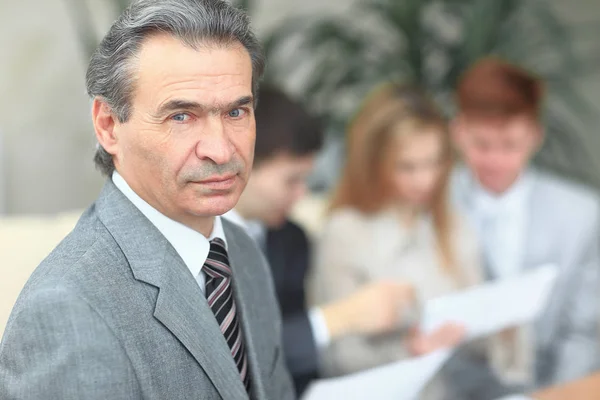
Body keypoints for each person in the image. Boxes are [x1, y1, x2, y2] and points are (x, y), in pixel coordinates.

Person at [0, 1, 295, 399]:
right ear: (108, 126)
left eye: (236, 112)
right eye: (181, 116)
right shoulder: (68, 308)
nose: (221, 150)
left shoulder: (239, 250)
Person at [224, 86, 415, 395]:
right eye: (291, 180)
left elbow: (295, 362)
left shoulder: (290, 240)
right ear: (243, 162)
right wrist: (340, 318)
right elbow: (227, 359)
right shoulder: (198, 244)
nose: (301, 194)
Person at [311, 83, 480, 396]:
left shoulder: (450, 224)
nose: (425, 180)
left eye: (434, 163)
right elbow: (339, 355)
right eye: (407, 167)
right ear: (375, 164)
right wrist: (409, 350)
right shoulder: (345, 232)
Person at [451, 57, 600, 388]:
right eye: (481, 144)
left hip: (547, 387)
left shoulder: (581, 214)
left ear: (535, 135)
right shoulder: (433, 206)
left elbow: (582, 333)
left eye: (510, 146)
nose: (495, 160)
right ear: (458, 131)